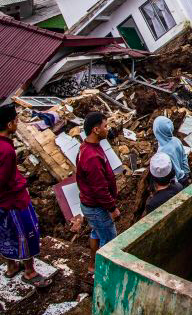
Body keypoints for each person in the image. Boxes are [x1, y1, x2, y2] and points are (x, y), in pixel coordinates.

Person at [0, 104, 52, 288]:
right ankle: (29, 272)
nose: (18, 123)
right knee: (26, 234)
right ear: (10, 124)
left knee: (6, 235)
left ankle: (11, 267)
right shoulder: (7, 150)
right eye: (17, 120)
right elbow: (3, 180)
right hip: (13, 201)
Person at [76, 111, 119, 275]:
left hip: (90, 205)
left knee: (96, 232)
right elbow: (99, 189)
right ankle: (103, 274)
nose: (107, 129)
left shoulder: (87, 146)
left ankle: (93, 266)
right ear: (96, 129)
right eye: (105, 126)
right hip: (97, 207)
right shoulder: (92, 156)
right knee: (109, 241)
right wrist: (112, 208)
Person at [153, 116, 190, 187]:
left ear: (157, 132)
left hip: (176, 183)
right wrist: (187, 174)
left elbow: (168, 172)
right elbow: (184, 158)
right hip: (184, 177)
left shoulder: (161, 152)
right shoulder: (176, 140)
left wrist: (175, 186)